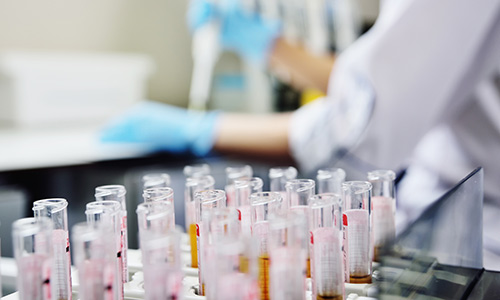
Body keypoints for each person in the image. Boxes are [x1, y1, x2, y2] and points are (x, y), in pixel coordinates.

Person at [101, 0, 500, 268]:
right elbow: (375, 85)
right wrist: (270, 46)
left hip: (476, 236)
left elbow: (360, 124)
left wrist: (203, 129)